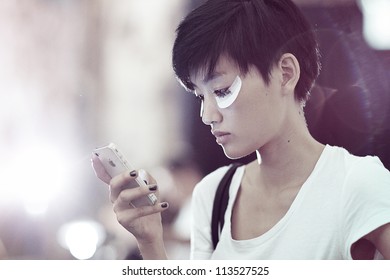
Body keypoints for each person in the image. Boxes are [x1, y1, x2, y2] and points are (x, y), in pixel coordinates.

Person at [92, 0, 390, 259]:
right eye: (199, 95)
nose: (207, 115)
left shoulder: (358, 184)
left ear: (285, 74)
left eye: (221, 90)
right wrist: (150, 241)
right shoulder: (213, 196)